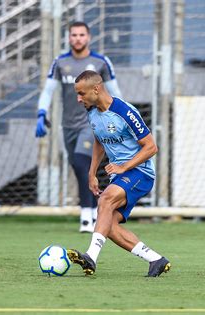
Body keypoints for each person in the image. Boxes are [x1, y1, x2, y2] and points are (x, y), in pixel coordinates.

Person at [67, 70, 171, 277]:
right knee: (108, 225)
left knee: (105, 201)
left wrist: (124, 167)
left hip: (140, 173)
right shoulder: (92, 111)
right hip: (122, 176)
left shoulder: (124, 111)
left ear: (96, 89)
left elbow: (151, 147)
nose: (79, 99)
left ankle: (91, 257)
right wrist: (92, 173)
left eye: (81, 93)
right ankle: (156, 260)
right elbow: (99, 139)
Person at [36, 21, 123, 233]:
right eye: (74, 35)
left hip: (92, 123)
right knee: (78, 166)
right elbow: (48, 91)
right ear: (69, 38)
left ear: (88, 37)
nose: (77, 38)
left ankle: (87, 215)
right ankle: (94, 210)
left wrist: (120, 117)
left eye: (81, 35)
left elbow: (115, 91)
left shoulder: (101, 62)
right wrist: (41, 113)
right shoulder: (60, 62)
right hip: (67, 125)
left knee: (81, 160)